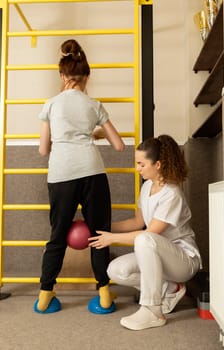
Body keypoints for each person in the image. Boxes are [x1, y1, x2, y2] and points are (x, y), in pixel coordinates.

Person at [35, 39, 125, 313]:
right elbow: (119, 145)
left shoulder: (51, 104)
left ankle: (44, 295)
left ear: (62, 76)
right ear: (87, 77)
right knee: (100, 233)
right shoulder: (94, 105)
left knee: (57, 235)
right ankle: (105, 293)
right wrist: (92, 133)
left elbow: (42, 150)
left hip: (61, 174)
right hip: (92, 172)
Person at [89, 135, 202, 330]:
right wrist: (101, 227)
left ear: (157, 164)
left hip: (183, 261)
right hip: (156, 253)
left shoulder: (172, 194)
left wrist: (112, 239)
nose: (137, 168)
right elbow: (137, 222)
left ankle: (153, 311)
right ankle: (170, 289)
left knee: (145, 239)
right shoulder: (147, 186)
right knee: (115, 270)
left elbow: (149, 234)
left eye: (141, 164)